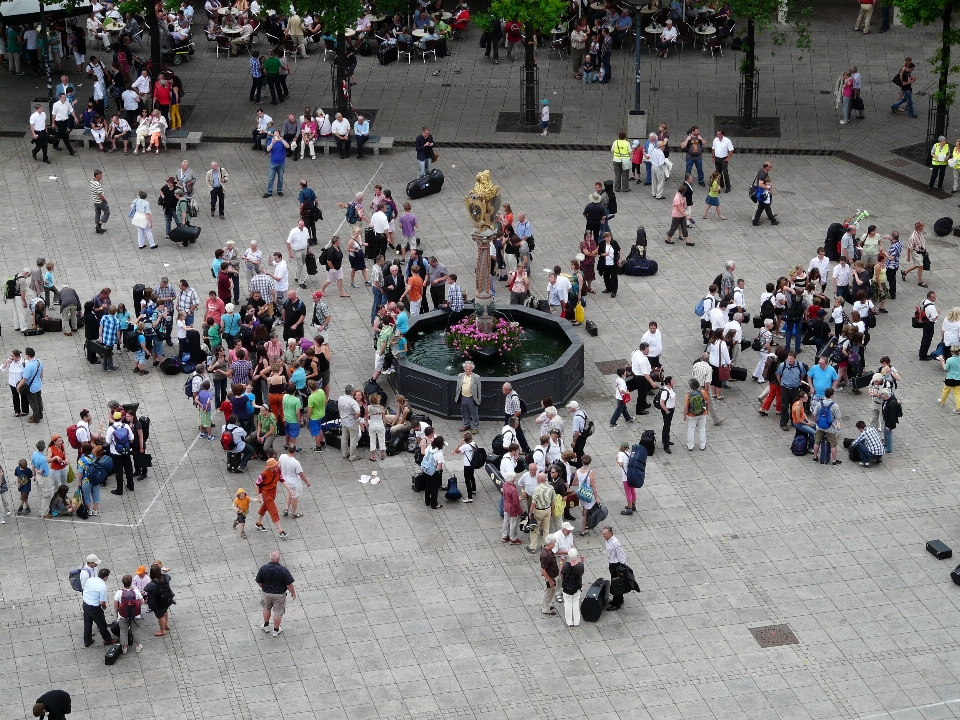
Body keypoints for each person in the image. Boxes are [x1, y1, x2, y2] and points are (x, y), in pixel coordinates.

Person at [256, 551, 296, 636]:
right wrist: (293, 592)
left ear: (270, 558)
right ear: (278, 559)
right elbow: (289, 584)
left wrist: (264, 588)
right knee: (278, 612)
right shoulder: (283, 570)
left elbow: (259, 581)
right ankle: (276, 630)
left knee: (266, 608)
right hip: (279, 594)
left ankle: (266, 626)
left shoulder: (263, 568)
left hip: (266, 593)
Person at [82, 566, 118, 647]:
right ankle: (108, 639)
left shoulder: (90, 579)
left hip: (85, 603)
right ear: (106, 577)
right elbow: (102, 602)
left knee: (87, 624)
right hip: (94, 608)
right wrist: (104, 607)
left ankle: (87, 641)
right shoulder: (102, 587)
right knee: (102, 624)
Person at [113, 573, 144, 654]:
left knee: (123, 631)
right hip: (135, 615)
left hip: (123, 615)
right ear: (131, 583)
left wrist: (117, 614)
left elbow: (116, 605)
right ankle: (137, 646)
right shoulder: (136, 591)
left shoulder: (119, 592)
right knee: (136, 630)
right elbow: (142, 602)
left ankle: (124, 647)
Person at [143, 564, 174, 636]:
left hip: (157, 602)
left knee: (160, 616)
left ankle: (162, 630)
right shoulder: (165, 577)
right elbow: (169, 577)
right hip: (166, 599)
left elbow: (145, 589)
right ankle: (166, 624)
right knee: (165, 610)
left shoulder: (152, 584)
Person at [600, 526, 627, 610]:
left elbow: (621, 555)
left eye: (605, 534)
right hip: (612, 564)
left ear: (610, 533)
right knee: (617, 583)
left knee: (616, 584)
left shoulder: (615, 543)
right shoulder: (608, 541)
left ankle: (616, 604)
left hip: (616, 565)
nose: (603, 536)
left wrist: (622, 567)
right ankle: (619, 599)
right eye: (603, 534)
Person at [559, 548, 584, 626]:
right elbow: (581, 574)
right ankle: (576, 622)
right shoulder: (580, 565)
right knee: (576, 602)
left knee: (568, 603)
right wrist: (582, 561)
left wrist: (561, 563)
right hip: (577, 586)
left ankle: (569, 621)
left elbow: (561, 574)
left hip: (567, 587)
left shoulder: (566, 565)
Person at [455, 361, 482, 433]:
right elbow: (458, 387)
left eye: (469, 369)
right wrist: (457, 396)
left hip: (472, 398)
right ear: (464, 368)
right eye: (466, 369)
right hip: (463, 397)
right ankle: (466, 424)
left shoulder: (476, 377)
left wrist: (479, 399)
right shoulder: (460, 376)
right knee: (464, 412)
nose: (468, 370)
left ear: (472, 369)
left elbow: (479, 389)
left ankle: (475, 427)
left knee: (474, 413)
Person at [684, 378, 709, 451]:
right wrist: (707, 410)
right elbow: (707, 402)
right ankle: (702, 445)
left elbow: (686, 407)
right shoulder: (703, 392)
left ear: (691, 387)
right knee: (702, 429)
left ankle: (690, 446)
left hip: (692, 415)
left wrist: (685, 416)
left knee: (691, 430)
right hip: (702, 413)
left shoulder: (689, 395)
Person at [538, 534, 559, 616]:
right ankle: (545, 609)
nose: (554, 545)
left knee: (552, 591)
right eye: (553, 543)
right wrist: (550, 580)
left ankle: (545, 605)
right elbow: (543, 569)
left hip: (552, 575)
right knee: (548, 592)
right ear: (549, 544)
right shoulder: (545, 555)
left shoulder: (548, 551)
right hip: (549, 576)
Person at [263, 130, 288, 198]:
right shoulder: (270, 141)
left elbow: (287, 146)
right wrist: (272, 143)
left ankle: (279, 190)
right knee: (271, 178)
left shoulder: (283, 141)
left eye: (277, 135)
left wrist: (281, 140)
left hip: (281, 163)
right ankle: (269, 191)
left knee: (280, 178)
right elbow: (268, 149)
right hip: (273, 162)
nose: (276, 136)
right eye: (275, 135)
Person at [937, 345, 960, 412]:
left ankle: (942, 402)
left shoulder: (949, 360)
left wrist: (942, 361)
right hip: (958, 379)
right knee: (957, 393)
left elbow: (945, 369)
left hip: (949, 379)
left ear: (952, 352)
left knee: (946, 391)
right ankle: (958, 408)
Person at [917, 290, 938, 361]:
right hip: (929, 324)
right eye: (933, 297)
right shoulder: (931, 307)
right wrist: (938, 313)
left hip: (925, 322)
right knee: (927, 340)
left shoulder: (924, 301)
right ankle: (923, 356)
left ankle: (921, 353)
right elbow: (934, 318)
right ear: (929, 297)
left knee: (924, 338)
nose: (935, 298)